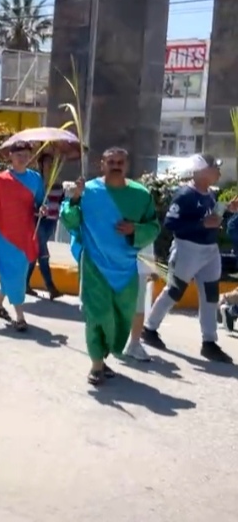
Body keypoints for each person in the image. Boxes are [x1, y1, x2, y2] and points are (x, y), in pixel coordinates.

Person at [59, 148, 160, 385]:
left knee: (120, 318)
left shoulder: (141, 194)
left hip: (126, 268)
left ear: (126, 165)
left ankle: (103, 359)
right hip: (95, 265)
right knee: (97, 315)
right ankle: (96, 365)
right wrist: (74, 198)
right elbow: (70, 219)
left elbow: (153, 227)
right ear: (101, 164)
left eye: (120, 162)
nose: (116, 165)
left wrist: (136, 229)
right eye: (111, 161)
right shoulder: (88, 191)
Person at [141, 153, 236, 362]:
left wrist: (227, 210)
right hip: (187, 249)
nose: (219, 171)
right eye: (215, 167)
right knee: (174, 291)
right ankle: (149, 328)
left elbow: (211, 217)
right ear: (201, 171)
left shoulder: (210, 194)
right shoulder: (185, 195)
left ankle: (209, 342)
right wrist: (202, 225)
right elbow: (171, 223)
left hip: (210, 250)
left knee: (210, 295)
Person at [0, 140, 44, 331]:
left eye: (25, 155)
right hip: (4, 234)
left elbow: (39, 203)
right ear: (10, 156)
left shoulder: (36, 179)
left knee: (18, 273)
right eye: (18, 155)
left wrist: (42, 210)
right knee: (13, 273)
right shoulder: (0, 180)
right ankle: (20, 316)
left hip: (25, 233)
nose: (22, 158)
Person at [26, 153, 64, 300]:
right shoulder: (37, 181)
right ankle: (51, 287)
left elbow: (60, 200)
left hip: (52, 220)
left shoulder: (57, 180)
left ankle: (24, 283)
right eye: (47, 162)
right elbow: (31, 202)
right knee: (43, 253)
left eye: (51, 162)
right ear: (41, 165)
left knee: (36, 253)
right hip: (39, 220)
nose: (50, 165)